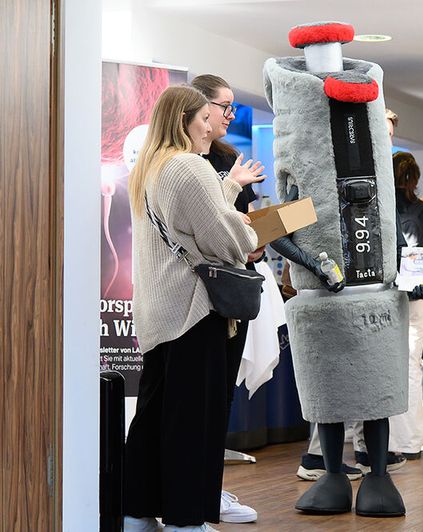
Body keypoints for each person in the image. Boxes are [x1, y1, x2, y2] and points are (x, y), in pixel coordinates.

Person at [123, 85, 261, 532]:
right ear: (182, 120)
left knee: (154, 418)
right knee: (194, 422)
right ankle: (186, 520)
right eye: (204, 118)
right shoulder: (189, 166)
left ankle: (137, 514)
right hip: (195, 311)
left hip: (159, 314)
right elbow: (225, 241)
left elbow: (189, 224)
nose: (211, 126)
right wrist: (249, 232)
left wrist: (225, 197)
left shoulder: (150, 168)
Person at [190, 73, 262, 525]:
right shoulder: (184, 164)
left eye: (233, 107)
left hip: (235, 288)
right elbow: (208, 228)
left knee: (220, 396)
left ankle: (209, 487)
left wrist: (258, 239)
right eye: (223, 106)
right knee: (191, 398)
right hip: (194, 294)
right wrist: (230, 189)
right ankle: (190, 493)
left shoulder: (230, 157)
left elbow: (249, 229)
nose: (229, 115)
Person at [390, 151, 423, 458]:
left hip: (388, 293)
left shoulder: (381, 210)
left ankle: (388, 440)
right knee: (412, 366)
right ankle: (413, 439)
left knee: (387, 366)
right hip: (419, 296)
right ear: (415, 179)